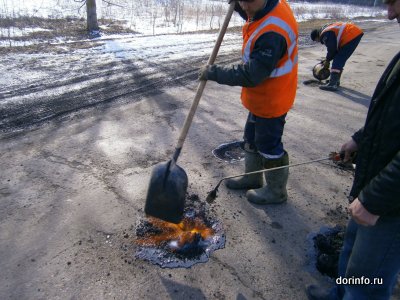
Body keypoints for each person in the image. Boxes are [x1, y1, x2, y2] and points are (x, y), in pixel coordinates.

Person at [307, 0, 400, 299]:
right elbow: (390, 115)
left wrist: (374, 199)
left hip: (390, 202)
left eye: (395, 3)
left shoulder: (330, 33)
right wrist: (361, 138)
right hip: (375, 180)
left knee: (368, 280)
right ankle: (339, 293)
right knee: (351, 252)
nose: (390, 13)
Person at [199, 0, 298, 205]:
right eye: (241, 0)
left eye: (248, 1)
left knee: (269, 145)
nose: (245, 7)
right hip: (260, 97)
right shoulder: (265, 6)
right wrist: (237, 4)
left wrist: (214, 72)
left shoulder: (273, 32)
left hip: (272, 100)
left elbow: (252, 74)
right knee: (251, 137)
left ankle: (276, 191)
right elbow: (254, 12)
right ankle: (252, 177)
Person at [310, 22, 363, 91]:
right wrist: (327, 59)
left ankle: (332, 84)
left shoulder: (325, 34)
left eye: (316, 40)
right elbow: (335, 49)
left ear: (317, 36)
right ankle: (335, 81)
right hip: (353, 33)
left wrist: (327, 60)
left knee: (338, 60)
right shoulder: (326, 29)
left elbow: (332, 49)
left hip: (351, 36)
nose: (318, 42)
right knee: (339, 58)